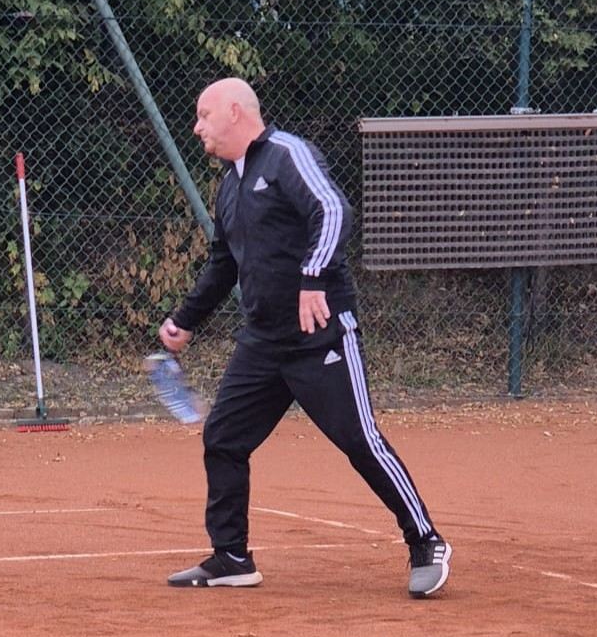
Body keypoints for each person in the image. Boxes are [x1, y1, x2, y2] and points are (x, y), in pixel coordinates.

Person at [159, 77, 451, 597]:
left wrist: (312, 278)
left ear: (234, 112)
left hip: (320, 335)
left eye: (204, 115)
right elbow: (224, 264)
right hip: (263, 341)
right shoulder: (230, 186)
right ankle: (231, 557)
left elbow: (333, 211)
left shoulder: (287, 155)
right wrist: (185, 320)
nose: (197, 127)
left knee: (359, 440)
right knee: (223, 438)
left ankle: (426, 541)